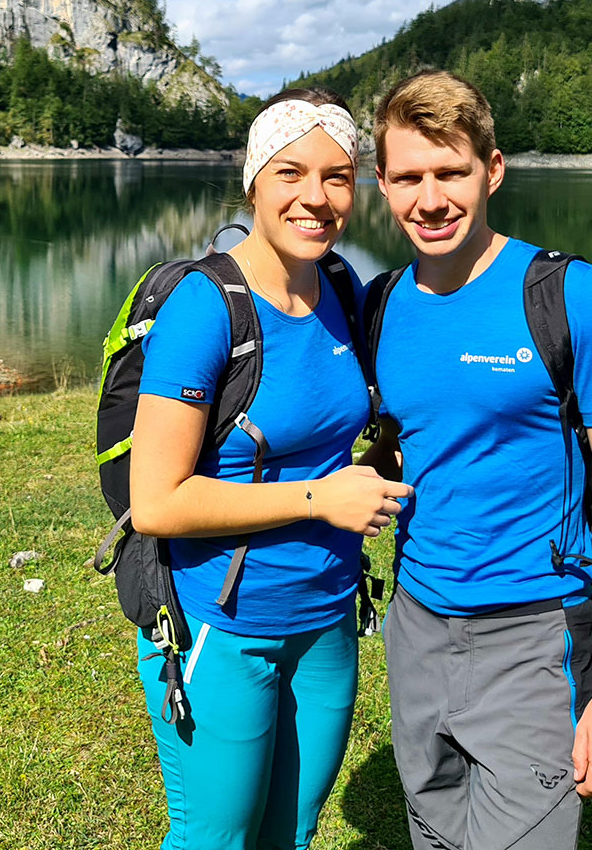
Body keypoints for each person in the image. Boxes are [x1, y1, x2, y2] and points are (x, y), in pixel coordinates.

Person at [364, 71, 592, 850]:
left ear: (492, 170)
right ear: (383, 183)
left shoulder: (571, 296)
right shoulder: (381, 304)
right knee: (433, 833)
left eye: (450, 172)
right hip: (418, 626)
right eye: (407, 178)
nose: (429, 200)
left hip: (535, 638)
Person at [128, 86, 412, 850]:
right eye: (291, 174)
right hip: (222, 629)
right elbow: (155, 502)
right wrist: (321, 498)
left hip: (326, 622)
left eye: (337, 176)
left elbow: (336, 428)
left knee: (291, 832)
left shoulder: (342, 290)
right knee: (214, 841)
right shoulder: (206, 305)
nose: (315, 199)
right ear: (254, 179)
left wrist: (383, 462)